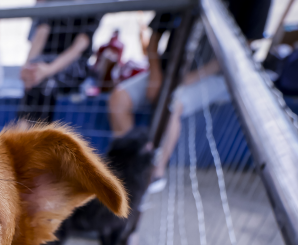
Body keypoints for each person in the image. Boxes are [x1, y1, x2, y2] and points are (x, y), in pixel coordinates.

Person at [108, 1, 271, 192]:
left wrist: (186, 79)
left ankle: (153, 174)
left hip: (219, 74)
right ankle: (129, 163)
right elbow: (154, 35)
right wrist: (156, 76)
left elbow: (245, 46)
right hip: (169, 69)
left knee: (171, 103)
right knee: (118, 98)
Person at [17, 9, 101, 124]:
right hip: (45, 62)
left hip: (74, 65)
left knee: (47, 83)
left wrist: (48, 70)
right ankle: (22, 133)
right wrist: (27, 67)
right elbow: (41, 33)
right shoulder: (52, 3)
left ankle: (34, 136)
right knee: (35, 74)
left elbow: (78, 47)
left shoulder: (93, 5)